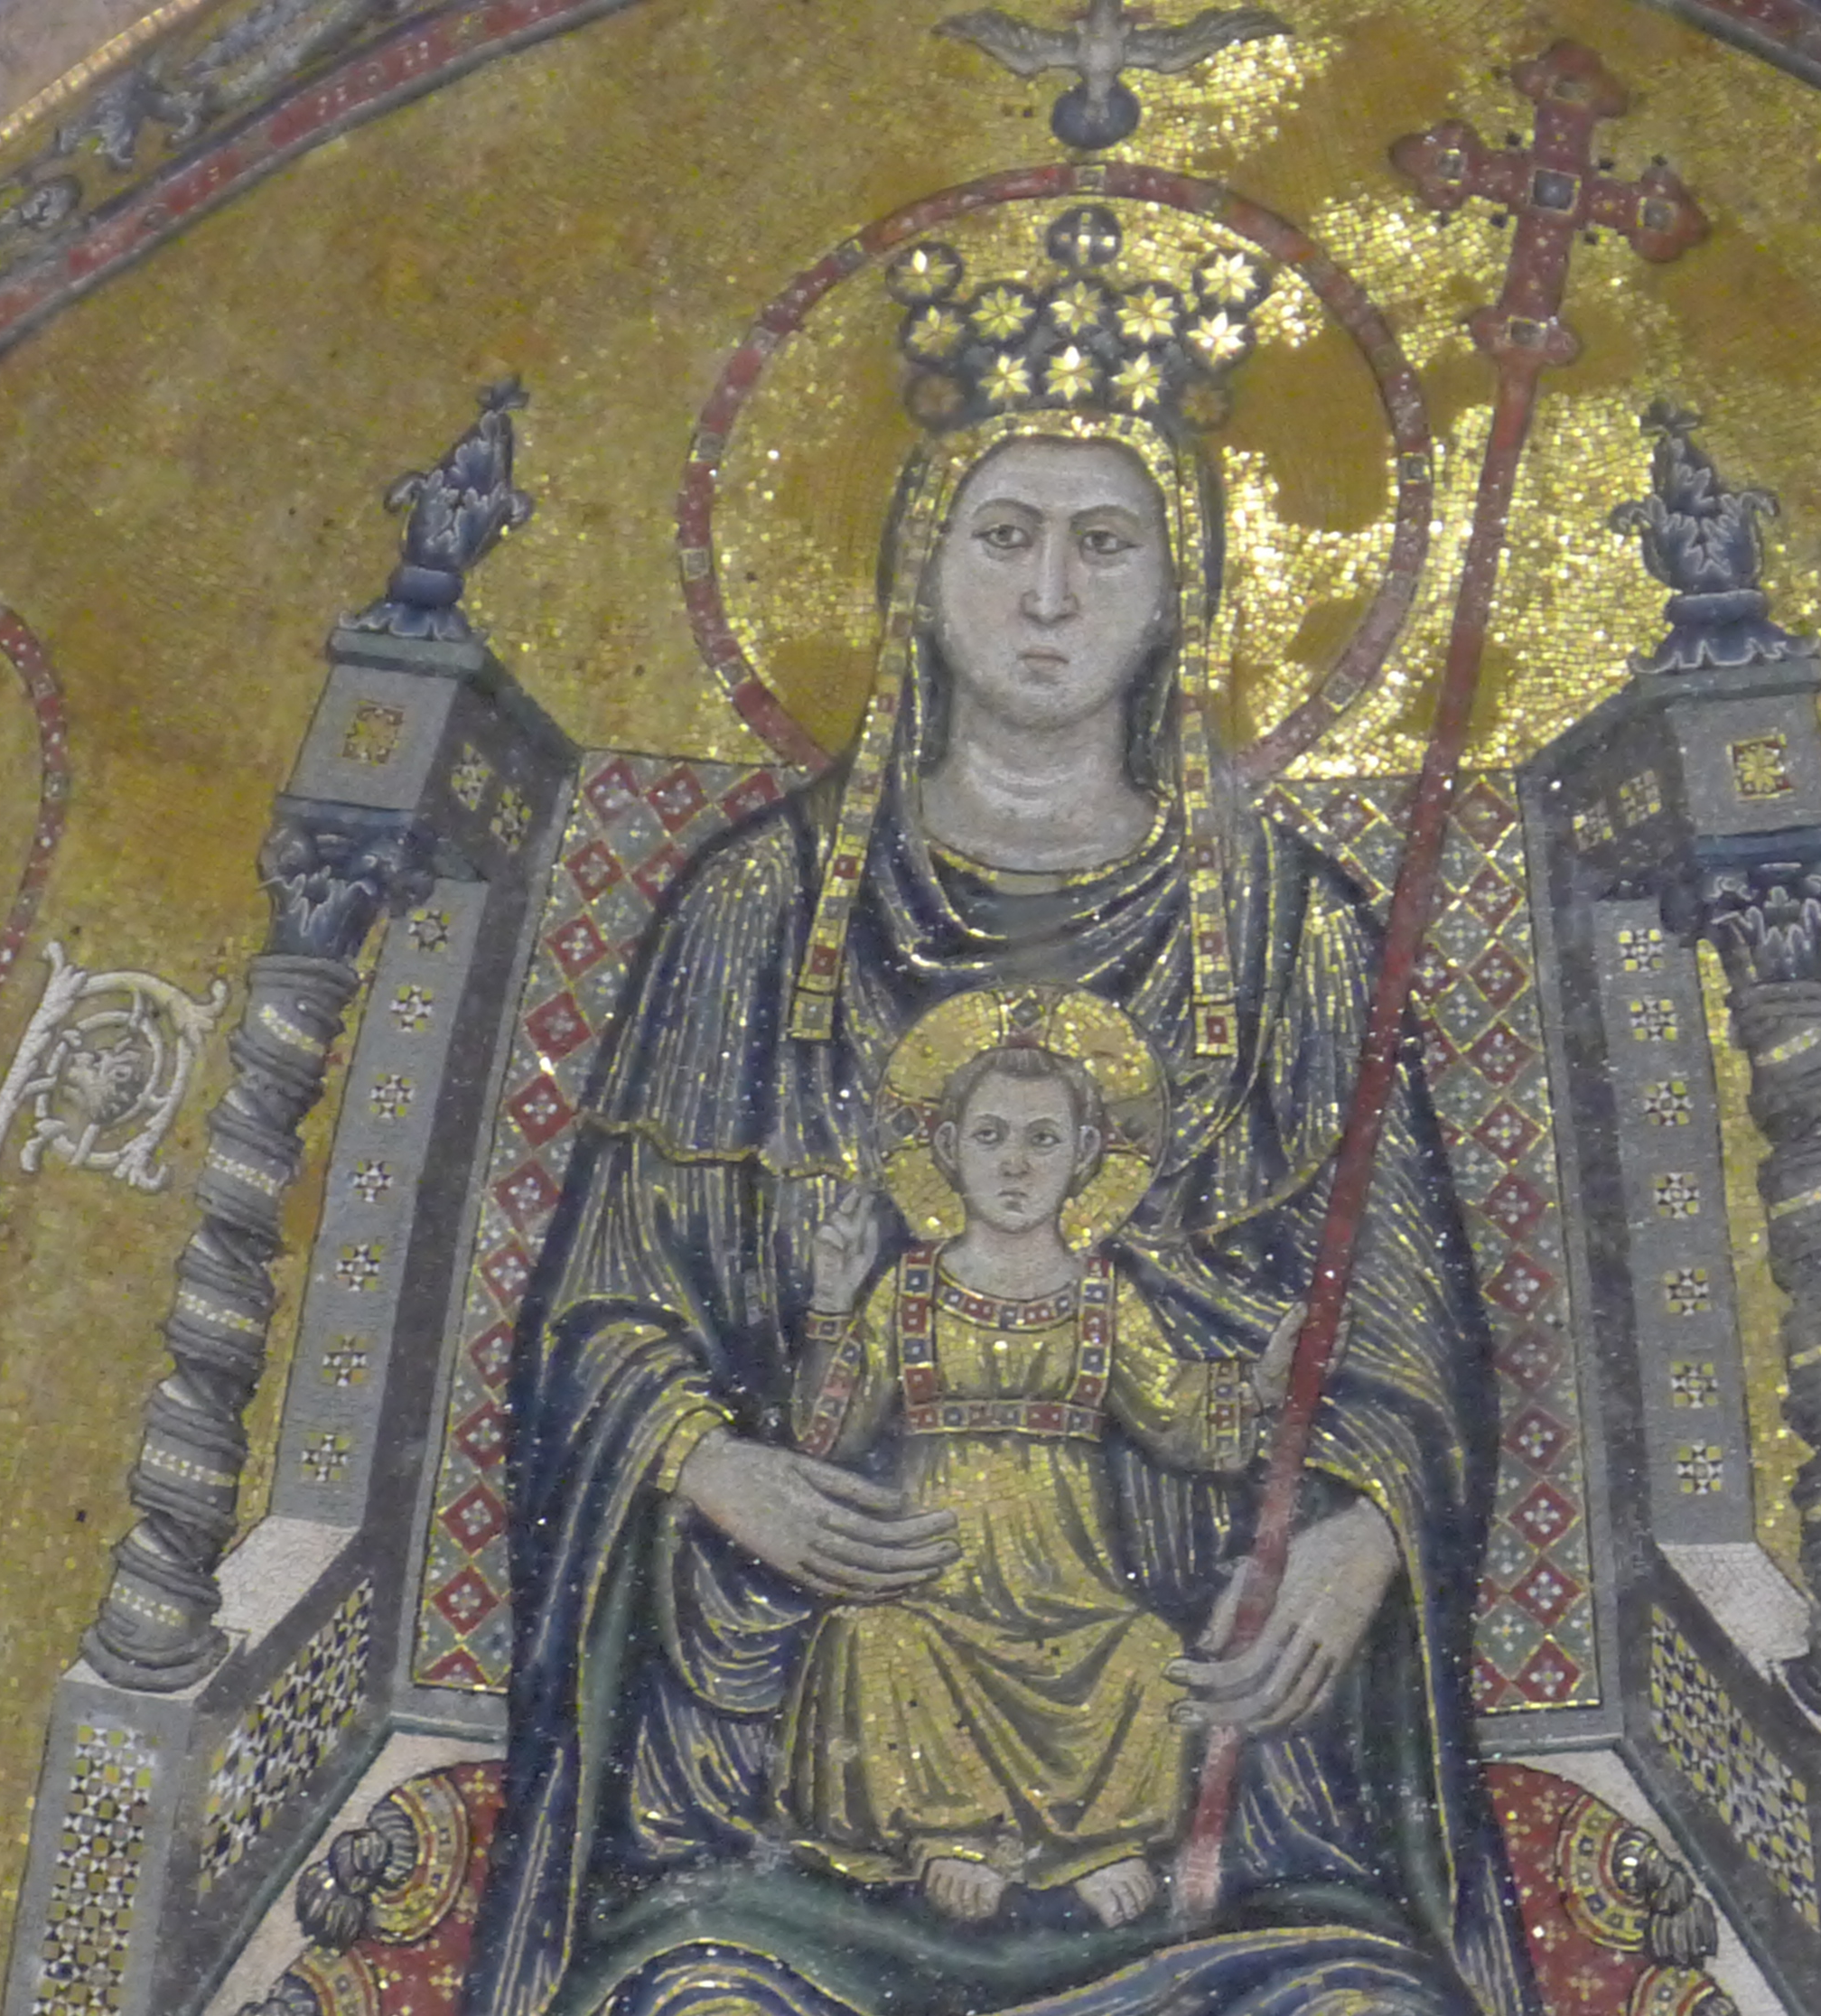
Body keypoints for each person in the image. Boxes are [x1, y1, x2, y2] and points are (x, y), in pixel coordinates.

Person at [469, 209, 1536, 2016]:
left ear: (1181, 588)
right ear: (918, 566)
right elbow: (604, 1318)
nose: (1048, 598)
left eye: (1103, 545)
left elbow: (1409, 1357)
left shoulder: (1297, 937)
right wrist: (715, 1467)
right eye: (1004, 535)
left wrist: (1363, 1534)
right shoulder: (754, 914)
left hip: (1210, 1775)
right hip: (804, 1757)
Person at [780, 1010, 1297, 1930]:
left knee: (1146, 1658)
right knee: (869, 1642)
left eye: (1042, 1139)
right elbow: (827, 1435)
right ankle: (948, 1834)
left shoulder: (1101, 1299)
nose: (1015, 1164)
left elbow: (1178, 1417)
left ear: (1086, 1155)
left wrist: (1259, 1388)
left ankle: (1096, 1842)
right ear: (946, 1148)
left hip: (1069, 1597)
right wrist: (830, 1301)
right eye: (990, 1136)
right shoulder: (907, 1292)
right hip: (934, 1592)